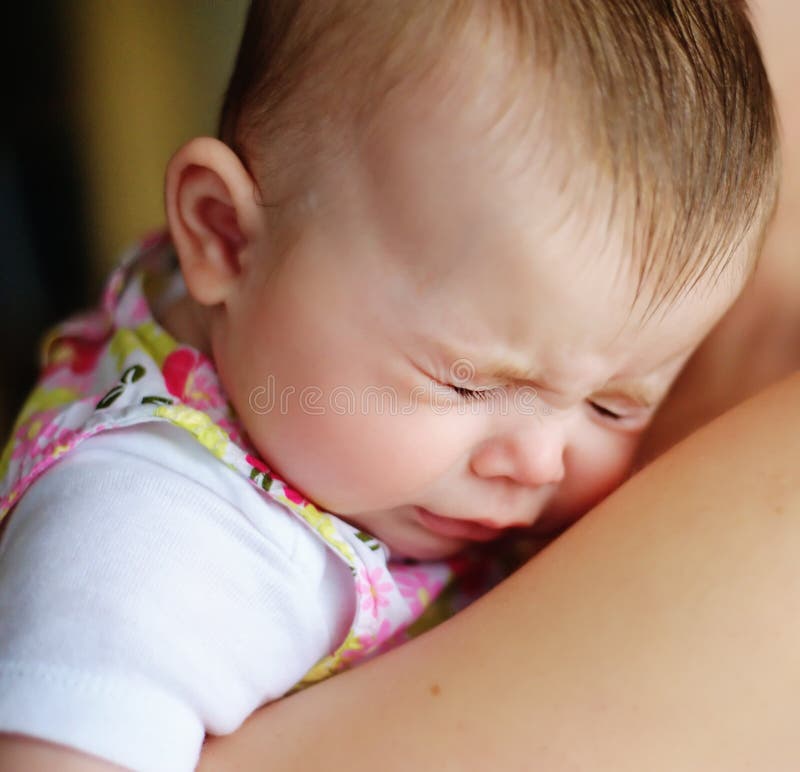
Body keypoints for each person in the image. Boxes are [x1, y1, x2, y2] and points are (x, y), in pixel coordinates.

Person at [0, 1, 778, 770]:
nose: (540, 463)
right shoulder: (150, 539)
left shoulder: (307, 352)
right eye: (468, 384)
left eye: (616, 403)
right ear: (226, 237)